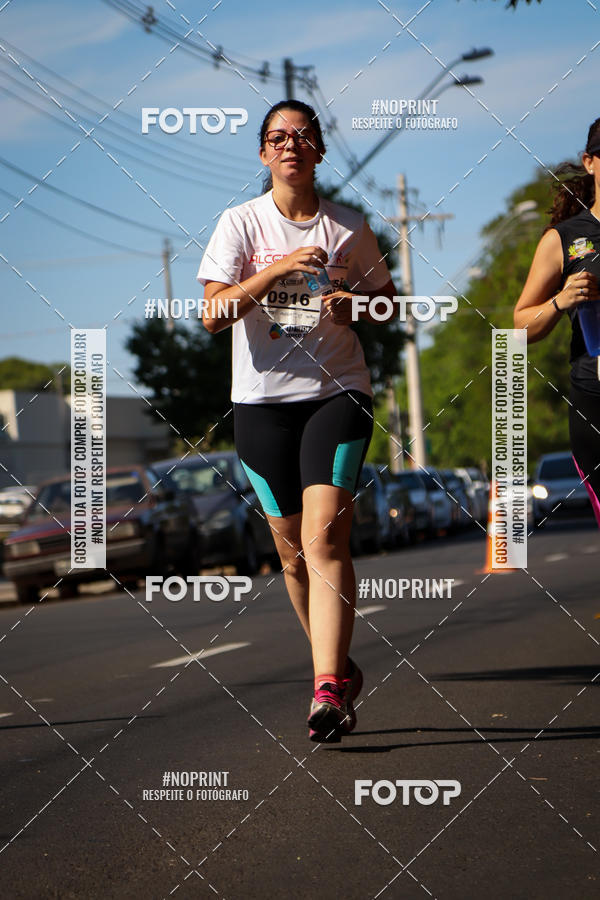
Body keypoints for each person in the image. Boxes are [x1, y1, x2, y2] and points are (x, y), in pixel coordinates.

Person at [197, 99, 396, 740]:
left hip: (337, 393)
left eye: (303, 136)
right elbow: (213, 313)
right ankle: (334, 664)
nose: (291, 145)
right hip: (260, 403)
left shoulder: (349, 228)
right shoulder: (239, 224)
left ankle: (327, 689)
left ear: (318, 151)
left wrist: (353, 308)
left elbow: (389, 307)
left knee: (323, 538)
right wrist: (279, 267)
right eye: (277, 137)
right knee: (289, 551)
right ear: (263, 154)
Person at [514, 117, 600, 526]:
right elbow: (519, 325)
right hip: (595, 397)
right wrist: (561, 300)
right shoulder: (564, 239)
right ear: (590, 162)